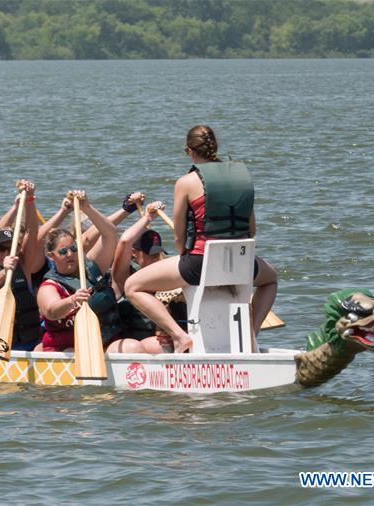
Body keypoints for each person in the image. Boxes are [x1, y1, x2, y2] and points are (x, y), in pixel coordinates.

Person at [125, 125, 278, 353]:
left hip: (199, 263)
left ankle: (179, 337)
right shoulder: (242, 178)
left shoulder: (186, 182)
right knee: (271, 279)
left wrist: (183, 255)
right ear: (214, 147)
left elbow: (179, 235)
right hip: (241, 263)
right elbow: (252, 229)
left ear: (189, 151)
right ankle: (250, 334)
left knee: (132, 286)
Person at [36, 191, 128, 352]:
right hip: (68, 348)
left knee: (132, 347)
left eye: (73, 248)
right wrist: (72, 300)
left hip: (104, 341)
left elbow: (110, 234)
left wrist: (86, 207)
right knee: (71, 352)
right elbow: (52, 311)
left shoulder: (92, 266)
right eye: (63, 252)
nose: (70, 254)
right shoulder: (49, 286)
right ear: (51, 256)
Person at [0, 180, 47, 350]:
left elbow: (31, 232)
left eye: (10, 247)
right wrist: (5, 273)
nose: (6, 252)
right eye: (0, 248)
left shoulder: (24, 266)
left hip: (30, 342)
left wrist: (29, 200)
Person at [110, 201, 175, 353]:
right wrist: (147, 217)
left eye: (158, 254)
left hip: (157, 344)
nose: (156, 258)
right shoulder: (124, 279)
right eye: (150, 254)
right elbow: (125, 241)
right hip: (130, 346)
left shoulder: (166, 279)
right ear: (134, 253)